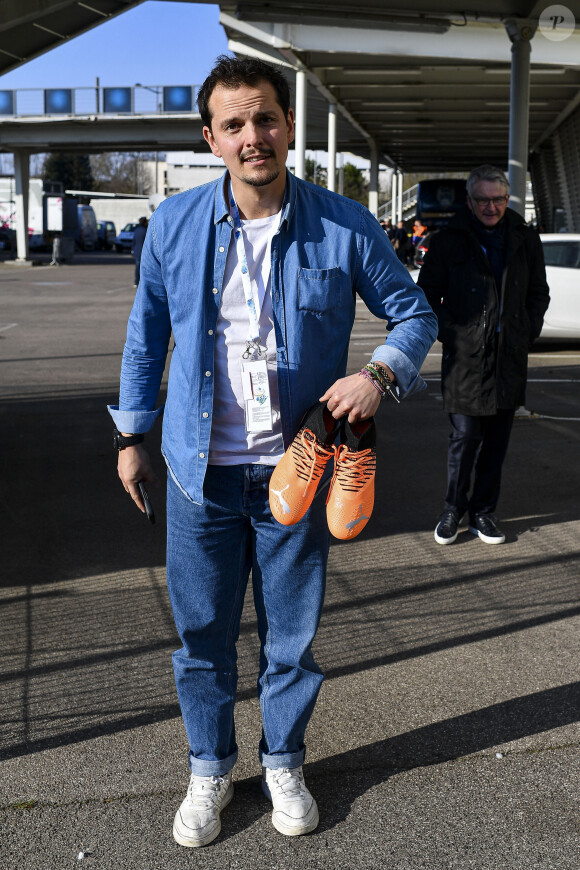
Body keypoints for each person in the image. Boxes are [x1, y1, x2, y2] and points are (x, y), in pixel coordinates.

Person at [108, 55, 437, 849]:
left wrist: (379, 374)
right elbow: (146, 339)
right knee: (202, 638)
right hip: (199, 476)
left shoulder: (344, 223)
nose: (253, 137)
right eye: (234, 125)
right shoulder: (176, 227)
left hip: (300, 471)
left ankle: (284, 759)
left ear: (288, 126)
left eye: (265, 120)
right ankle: (208, 769)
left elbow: (414, 315)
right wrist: (132, 437)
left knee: (290, 637)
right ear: (211, 139)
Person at [417, 165, 549, 546]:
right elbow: (426, 297)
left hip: (509, 359)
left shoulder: (525, 239)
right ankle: (452, 509)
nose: (492, 207)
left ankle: (483, 512)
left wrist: (525, 332)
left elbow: (538, 294)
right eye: (483, 200)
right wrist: (456, 334)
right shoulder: (448, 241)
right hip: (466, 359)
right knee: (464, 438)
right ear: (470, 201)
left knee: (496, 443)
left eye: (499, 199)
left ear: (508, 200)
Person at [131, 216, 148, 287]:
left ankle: (136, 281)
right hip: (144, 252)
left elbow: (134, 241)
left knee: (137, 267)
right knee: (144, 268)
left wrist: (133, 250)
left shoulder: (136, 230)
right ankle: (142, 282)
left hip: (137, 251)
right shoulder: (146, 231)